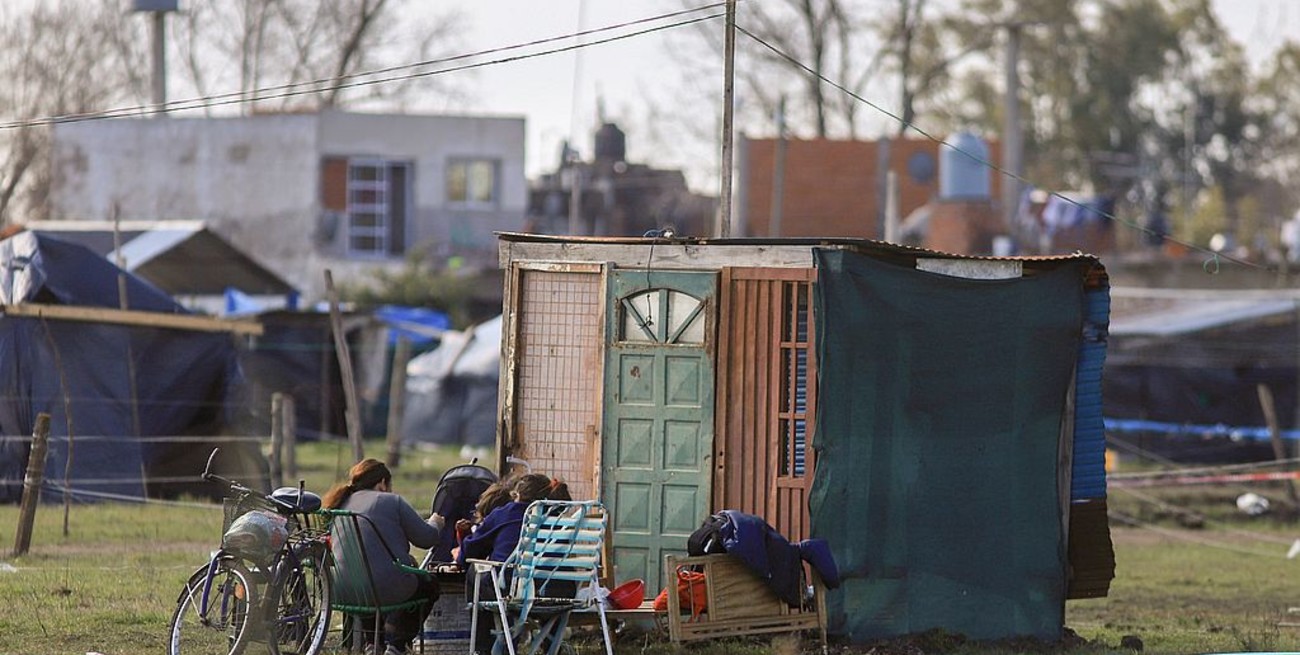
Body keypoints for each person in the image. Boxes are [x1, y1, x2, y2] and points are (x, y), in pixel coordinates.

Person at [324, 459, 445, 655]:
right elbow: (426, 539)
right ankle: (396, 644)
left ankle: (373, 643)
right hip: (382, 588)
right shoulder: (391, 501)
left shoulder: (341, 503)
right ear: (382, 483)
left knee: (366, 577)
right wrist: (435, 522)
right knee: (428, 584)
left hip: (340, 590)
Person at [456, 473, 555, 655]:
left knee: (475, 574)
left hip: (513, 591)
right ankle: (552, 647)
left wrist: (462, 544)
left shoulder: (506, 513)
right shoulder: (559, 517)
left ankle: (482, 648)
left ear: (517, 495)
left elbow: (468, 554)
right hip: (555, 592)